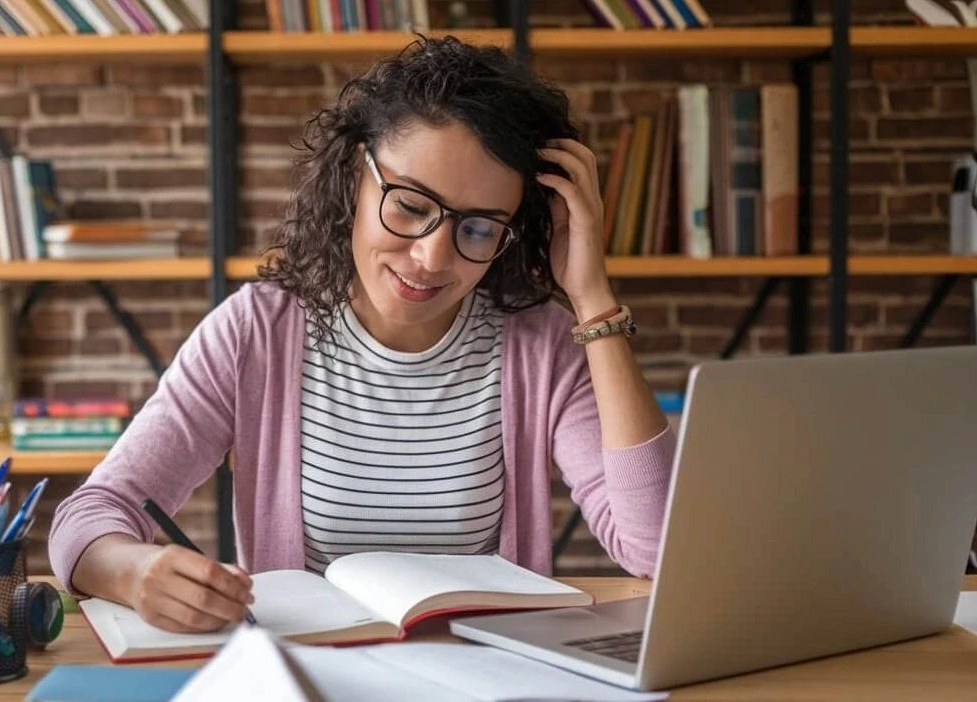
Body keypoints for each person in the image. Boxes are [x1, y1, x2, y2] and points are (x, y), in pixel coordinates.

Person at [49, 36, 675, 635]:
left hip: (483, 679)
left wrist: (592, 298)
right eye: (409, 206)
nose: (431, 257)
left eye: (479, 229)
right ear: (356, 175)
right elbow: (86, 520)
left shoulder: (541, 347)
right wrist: (137, 573)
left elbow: (653, 548)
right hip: (310, 673)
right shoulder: (254, 333)